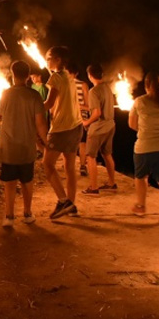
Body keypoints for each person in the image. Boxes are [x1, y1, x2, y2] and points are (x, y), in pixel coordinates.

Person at [0, 61, 50, 226]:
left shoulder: (5, 94)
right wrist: (47, 142)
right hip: (26, 146)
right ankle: (27, 214)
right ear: (28, 76)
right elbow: (40, 123)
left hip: (8, 146)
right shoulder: (34, 95)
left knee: (10, 183)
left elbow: (1, 116)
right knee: (27, 181)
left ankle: (9, 216)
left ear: (12, 74)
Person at [128, 73, 159, 224]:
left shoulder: (140, 101)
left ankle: (141, 206)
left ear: (146, 85)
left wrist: (146, 129)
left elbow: (132, 124)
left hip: (145, 147)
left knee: (141, 177)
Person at [41, 46, 83, 219]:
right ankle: (71, 206)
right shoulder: (69, 77)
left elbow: (48, 104)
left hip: (62, 128)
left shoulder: (56, 78)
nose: (46, 60)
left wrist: (30, 108)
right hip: (76, 126)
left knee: (47, 164)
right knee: (69, 167)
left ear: (58, 60)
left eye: (49, 57)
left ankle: (63, 201)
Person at [81, 64, 117, 194]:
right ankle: (112, 183)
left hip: (98, 128)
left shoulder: (94, 91)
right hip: (110, 125)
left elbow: (96, 113)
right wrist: (82, 107)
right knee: (107, 154)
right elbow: (101, 107)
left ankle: (93, 187)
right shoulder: (108, 88)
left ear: (90, 75)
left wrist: (86, 122)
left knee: (90, 156)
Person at [67, 62, 90, 176]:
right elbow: (88, 106)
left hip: (75, 119)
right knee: (82, 143)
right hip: (79, 119)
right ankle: (82, 166)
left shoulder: (64, 85)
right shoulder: (83, 85)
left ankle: (76, 166)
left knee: (74, 143)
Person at [30, 67, 50, 154]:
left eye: (34, 77)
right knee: (35, 132)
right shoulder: (32, 86)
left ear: (39, 77)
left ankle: (47, 149)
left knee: (42, 131)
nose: (33, 79)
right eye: (31, 78)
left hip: (42, 112)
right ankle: (40, 150)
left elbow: (43, 100)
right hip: (33, 111)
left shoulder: (43, 87)